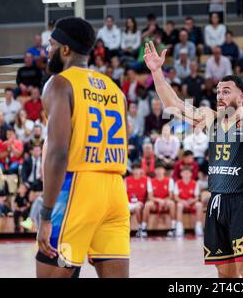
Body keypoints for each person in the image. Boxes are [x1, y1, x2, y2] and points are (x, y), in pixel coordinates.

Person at [144, 34, 243, 277]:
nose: (220, 96)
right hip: (216, 201)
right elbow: (173, 104)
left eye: (226, 91)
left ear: (241, 97)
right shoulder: (211, 119)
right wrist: (156, 72)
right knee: (224, 273)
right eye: (218, 91)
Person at [36, 17, 129, 278]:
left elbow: (57, 153)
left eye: (51, 45)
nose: (47, 51)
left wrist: (45, 214)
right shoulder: (115, 90)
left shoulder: (59, 84)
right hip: (115, 192)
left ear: (65, 50)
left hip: (78, 188)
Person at [139, 161, 176, 237]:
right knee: (147, 205)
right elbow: (150, 196)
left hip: (166, 202)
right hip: (155, 203)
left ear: (164, 171)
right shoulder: (151, 181)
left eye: (161, 169)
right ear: (155, 171)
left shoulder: (169, 180)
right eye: (157, 169)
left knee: (171, 203)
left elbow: (171, 196)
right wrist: (158, 200)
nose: (159, 171)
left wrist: (164, 201)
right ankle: (143, 228)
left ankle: (173, 227)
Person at [174, 166, 204, 237]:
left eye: (188, 173)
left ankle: (198, 227)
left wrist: (192, 200)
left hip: (191, 203)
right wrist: (182, 201)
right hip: (182, 202)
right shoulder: (177, 183)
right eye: (185, 173)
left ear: (191, 174)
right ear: (181, 174)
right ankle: (179, 228)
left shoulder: (194, 183)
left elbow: (197, 197)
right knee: (179, 205)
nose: (186, 174)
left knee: (199, 205)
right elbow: (175, 197)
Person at [125, 163, 150, 238]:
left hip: (140, 202)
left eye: (138, 169)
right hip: (129, 202)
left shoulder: (146, 179)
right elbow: (123, 193)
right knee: (123, 208)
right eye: (134, 169)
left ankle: (140, 227)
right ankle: (125, 230)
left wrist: (146, 203)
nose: (136, 171)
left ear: (141, 170)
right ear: (132, 171)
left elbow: (149, 193)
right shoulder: (126, 180)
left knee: (138, 207)